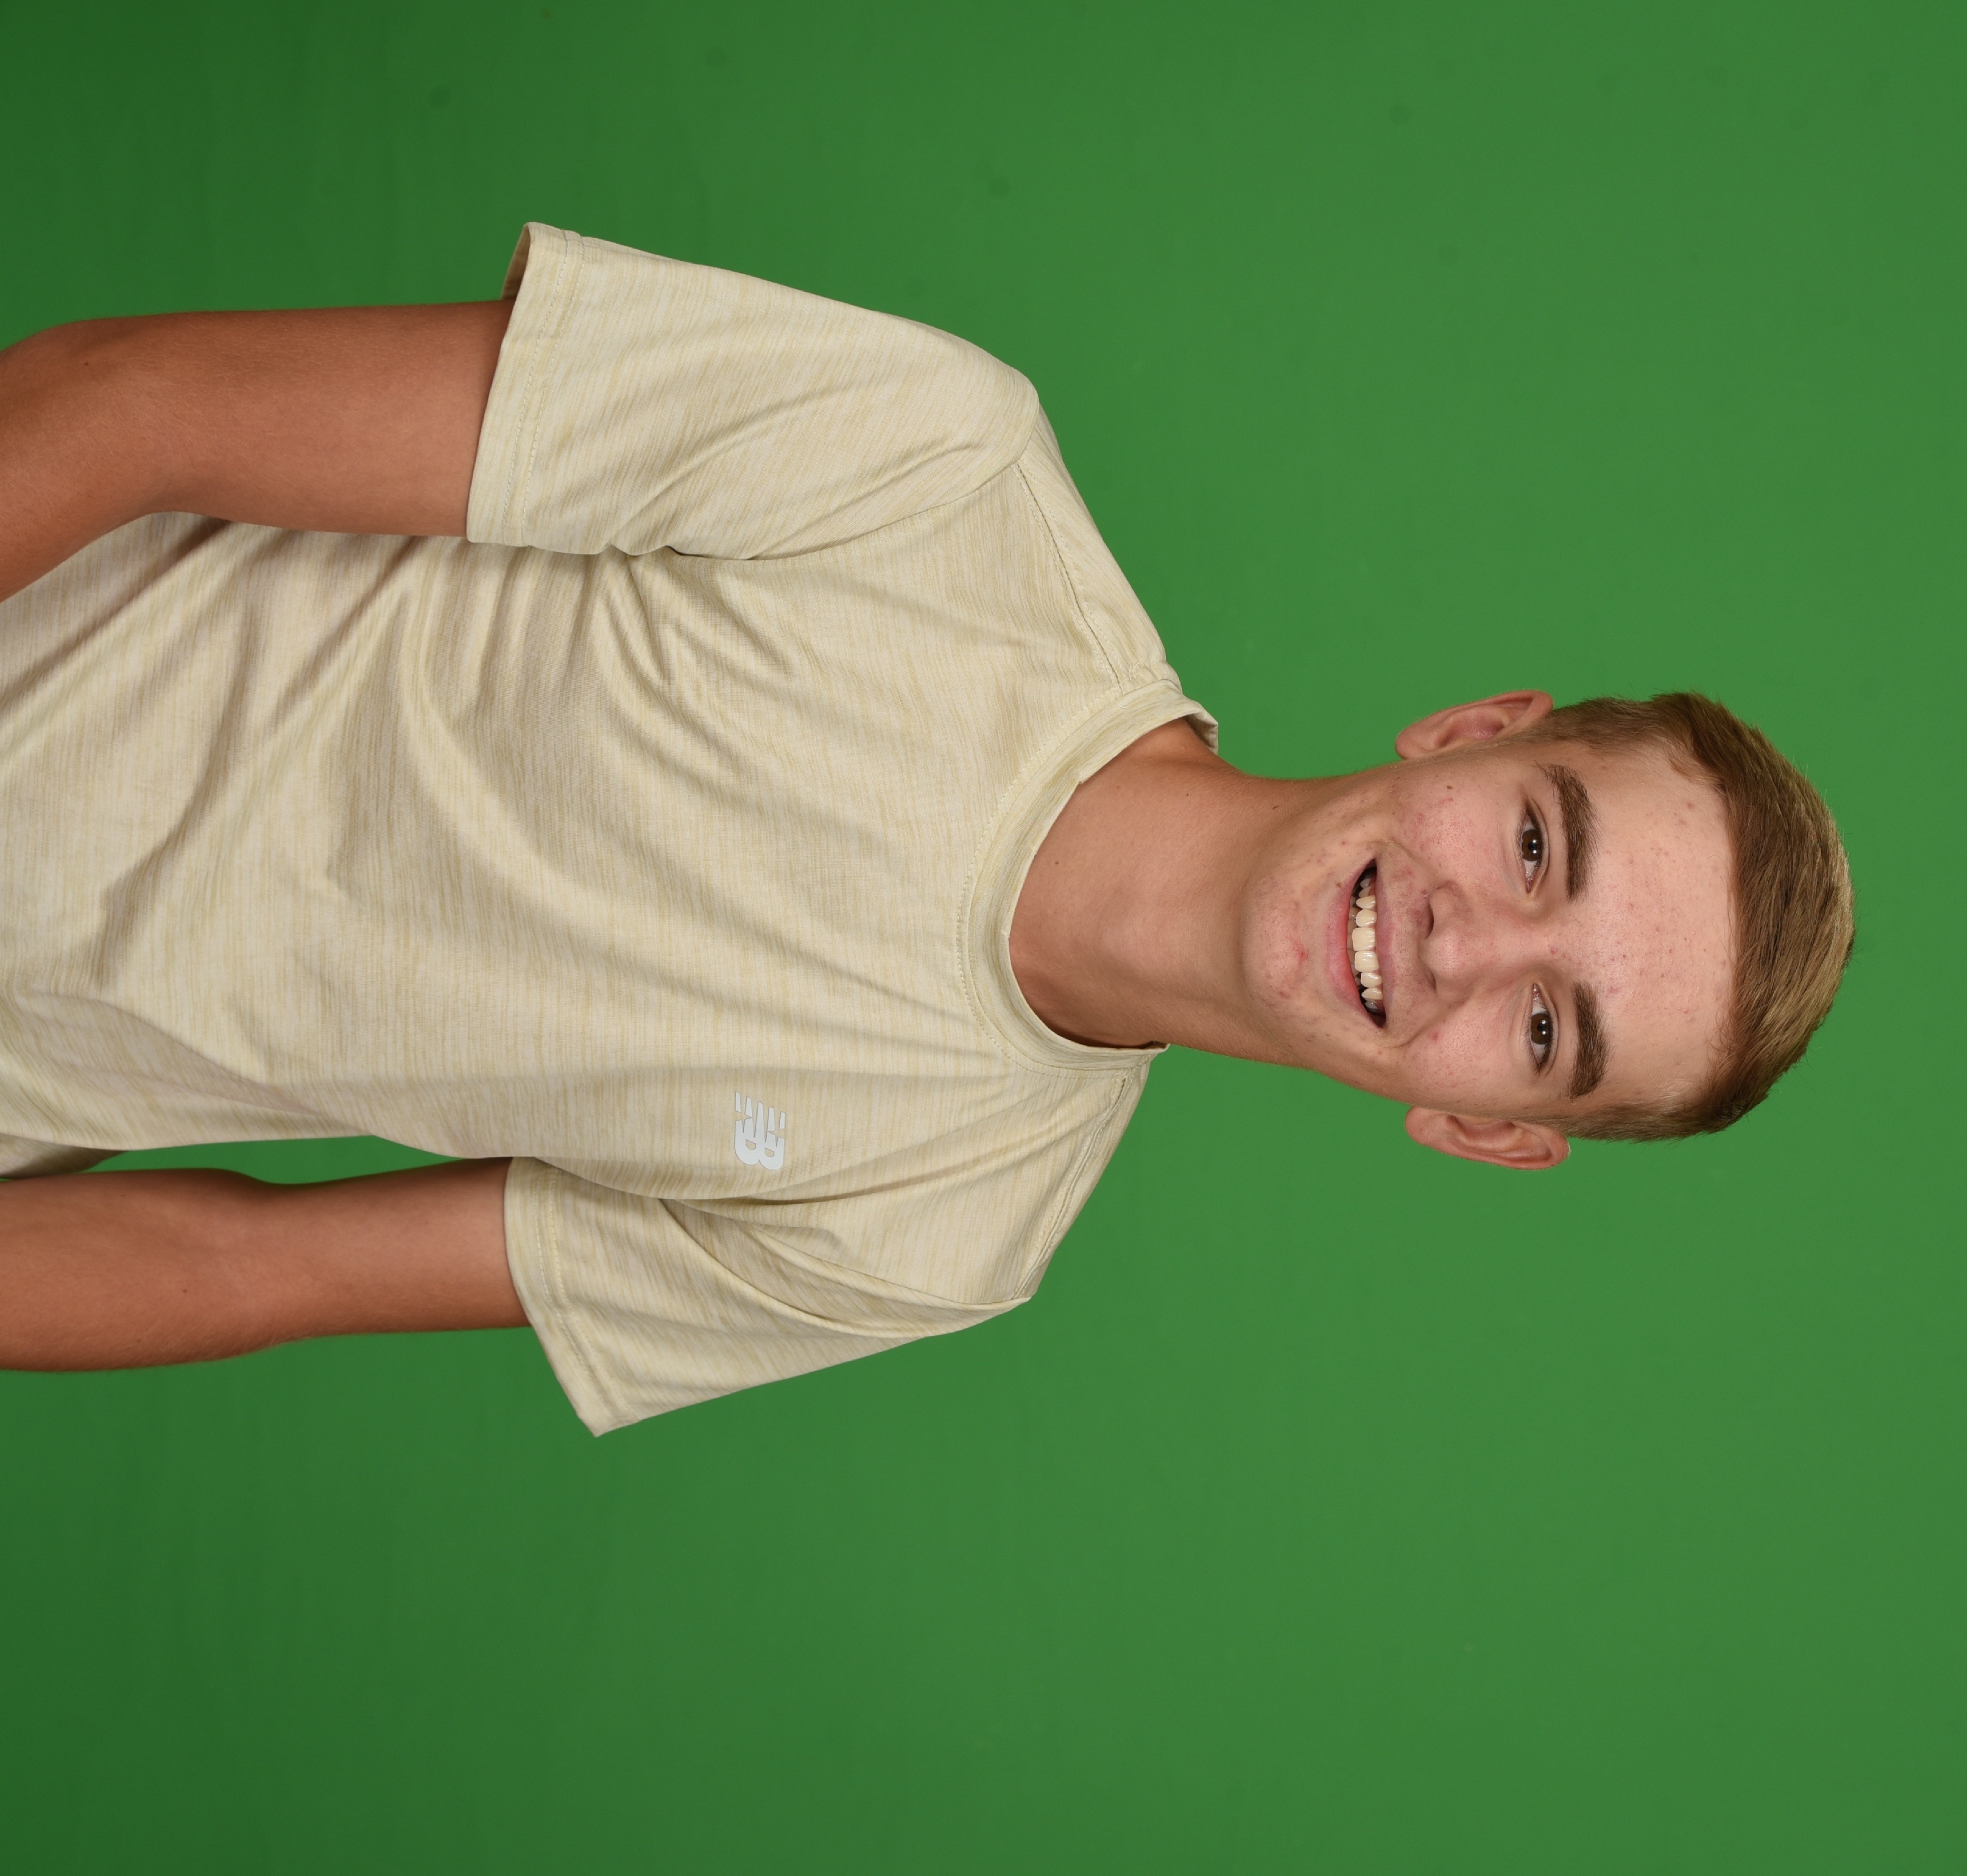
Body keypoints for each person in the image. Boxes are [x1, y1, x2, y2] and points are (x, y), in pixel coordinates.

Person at [0, 226, 1853, 1432]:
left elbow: (252, 1271)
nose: (1469, 943)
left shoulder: (937, 1236)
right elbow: (137, 406)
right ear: (1477, 730)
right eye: (1538, 848)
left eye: (1548, 1028)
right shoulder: (933, 474)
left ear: (1481, 1130)